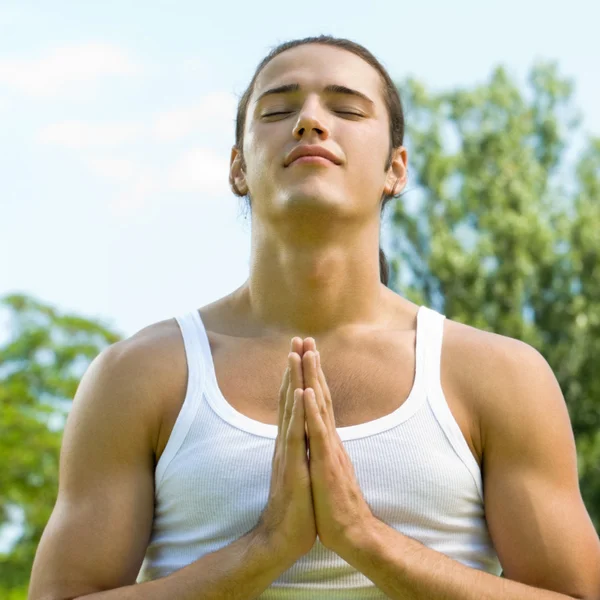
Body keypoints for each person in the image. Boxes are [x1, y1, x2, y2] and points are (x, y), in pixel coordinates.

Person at [28, 35, 600, 600]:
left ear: (395, 170)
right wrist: (266, 548)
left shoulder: (500, 374)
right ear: (237, 169)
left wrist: (364, 537)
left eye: (346, 108)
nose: (308, 121)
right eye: (278, 110)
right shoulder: (137, 375)